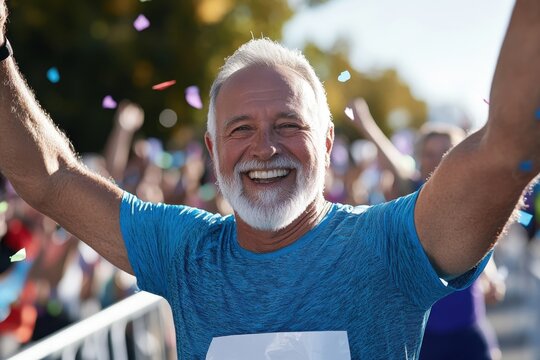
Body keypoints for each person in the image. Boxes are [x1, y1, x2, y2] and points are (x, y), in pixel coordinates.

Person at [0, 1, 538, 358]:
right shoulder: (185, 251)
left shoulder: (390, 244)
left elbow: (506, 151)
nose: (264, 147)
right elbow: (48, 177)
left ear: (327, 143)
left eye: (288, 124)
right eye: (240, 129)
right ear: (212, 151)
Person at [350, 100, 506, 359]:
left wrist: (492, 276)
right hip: (425, 336)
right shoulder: (413, 195)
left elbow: (482, 244)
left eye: (447, 152)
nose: (439, 161)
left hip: (469, 330)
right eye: (430, 153)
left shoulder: (473, 201)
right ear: (419, 160)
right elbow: (392, 162)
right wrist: (366, 125)